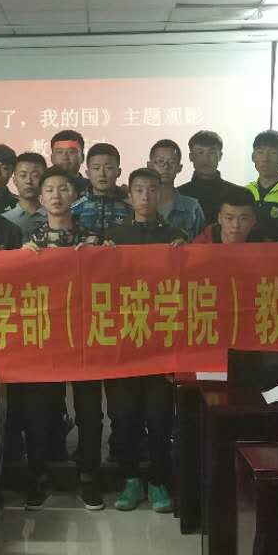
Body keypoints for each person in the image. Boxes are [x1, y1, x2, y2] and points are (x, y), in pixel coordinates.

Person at [23, 167, 105, 511]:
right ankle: (39, 477)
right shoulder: (28, 243)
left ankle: (89, 477)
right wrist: (17, 259)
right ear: (41, 198)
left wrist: (107, 256)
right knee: (38, 412)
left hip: (85, 337)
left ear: (75, 195)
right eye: (50, 190)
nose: (56, 196)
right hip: (43, 338)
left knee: (90, 412)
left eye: (63, 189)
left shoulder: (94, 241)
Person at [105, 168, 180, 515]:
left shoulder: (176, 236)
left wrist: (186, 256)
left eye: (152, 190)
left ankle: (158, 480)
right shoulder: (114, 237)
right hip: (124, 341)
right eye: (138, 190)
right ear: (129, 195)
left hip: (162, 341)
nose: (146, 197)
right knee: (125, 417)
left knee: (160, 417)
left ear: (161, 194)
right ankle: (131, 478)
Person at [72, 142, 133, 239]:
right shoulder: (75, 208)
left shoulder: (131, 207)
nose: (102, 174)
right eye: (96, 168)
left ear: (119, 172)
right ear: (88, 173)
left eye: (108, 168)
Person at [179, 129, 241, 224]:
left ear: (220, 156)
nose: (206, 158)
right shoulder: (179, 195)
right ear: (191, 156)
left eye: (211, 152)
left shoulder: (238, 194)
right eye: (200, 152)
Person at [147, 138, 204, 241]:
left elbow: (203, 245)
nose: (166, 167)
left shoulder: (192, 208)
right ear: (149, 166)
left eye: (172, 162)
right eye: (160, 161)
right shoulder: (137, 205)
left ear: (179, 167)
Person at [246, 129, 278, 241]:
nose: (265, 159)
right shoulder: (245, 192)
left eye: (273, 153)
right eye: (260, 152)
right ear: (253, 157)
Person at [192, 186, 267, 244]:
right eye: (229, 218)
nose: (236, 225)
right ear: (219, 218)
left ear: (254, 220)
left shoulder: (264, 244)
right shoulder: (201, 244)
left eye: (243, 219)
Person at [2, 150, 47, 239]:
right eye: (23, 175)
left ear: (45, 180)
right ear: (14, 180)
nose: (28, 181)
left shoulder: (54, 217)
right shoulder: (3, 220)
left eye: (35, 176)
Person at [49, 129, 88, 195]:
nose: (65, 157)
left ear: (82, 157)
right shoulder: (41, 187)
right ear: (52, 158)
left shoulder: (91, 188)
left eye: (71, 152)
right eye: (60, 152)